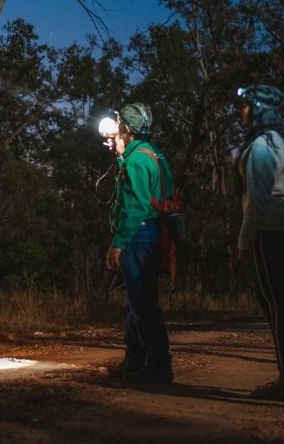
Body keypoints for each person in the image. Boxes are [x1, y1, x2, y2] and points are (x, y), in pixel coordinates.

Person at [235, 85, 284, 401]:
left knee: (277, 304)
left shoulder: (262, 146)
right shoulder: (280, 143)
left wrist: (244, 241)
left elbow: (259, 200)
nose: (241, 112)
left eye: (246, 106)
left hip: (270, 226)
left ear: (259, 110)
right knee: (277, 302)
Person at [105, 102, 174, 384]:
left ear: (128, 128)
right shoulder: (149, 153)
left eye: (119, 121)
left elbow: (135, 207)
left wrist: (118, 243)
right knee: (138, 300)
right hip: (152, 231)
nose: (114, 125)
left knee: (142, 302)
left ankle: (157, 364)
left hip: (139, 233)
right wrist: (121, 156)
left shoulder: (138, 160)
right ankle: (135, 360)